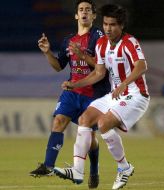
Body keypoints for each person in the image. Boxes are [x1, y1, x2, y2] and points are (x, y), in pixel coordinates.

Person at [53, 4, 150, 190]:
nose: (107, 28)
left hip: (136, 95)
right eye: (105, 24)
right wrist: (75, 84)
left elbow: (141, 66)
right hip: (115, 94)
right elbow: (98, 73)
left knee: (104, 123)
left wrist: (123, 83)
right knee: (85, 119)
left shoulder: (130, 42)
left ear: (121, 26)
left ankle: (124, 168)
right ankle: (78, 170)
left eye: (112, 25)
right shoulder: (101, 44)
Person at [29, 0, 110, 188]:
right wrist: (48, 52)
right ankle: (48, 166)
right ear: (76, 15)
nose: (84, 13)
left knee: (89, 139)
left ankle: (94, 169)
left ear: (94, 16)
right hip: (73, 91)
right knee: (58, 121)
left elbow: (102, 68)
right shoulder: (68, 40)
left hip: (94, 93)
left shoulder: (98, 36)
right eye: (81, 10)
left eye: (88, 10)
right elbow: (59, 67)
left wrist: (84, 56)